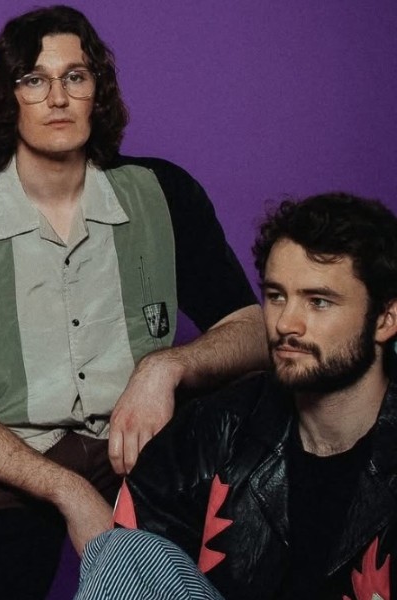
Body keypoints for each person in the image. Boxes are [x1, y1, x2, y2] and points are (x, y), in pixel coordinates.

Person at [0, 5, 268, 598]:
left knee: (208, 557)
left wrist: (165, 367)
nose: (58, 97)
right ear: (7, 98)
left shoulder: (164, 194)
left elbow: (255, 330)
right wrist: (67, 489)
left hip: (137, 440)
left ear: (97, 91)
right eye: (34, 80)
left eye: (75, 76)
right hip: (5, 447)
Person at [83, 193, 397, 600]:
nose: (286, 323)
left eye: (319, 302)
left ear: (386, 318)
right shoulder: (214, 430)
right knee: (122, 552)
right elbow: (133, 559)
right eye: (277, 296)